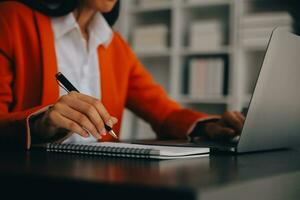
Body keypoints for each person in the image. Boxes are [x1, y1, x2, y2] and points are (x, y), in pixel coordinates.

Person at [0, 0, 244, 149]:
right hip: (31, 180)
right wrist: (42, 123)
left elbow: (164, 112)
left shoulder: (116, 45)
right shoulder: (11, 19)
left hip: (103, 181)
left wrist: (209, 126)